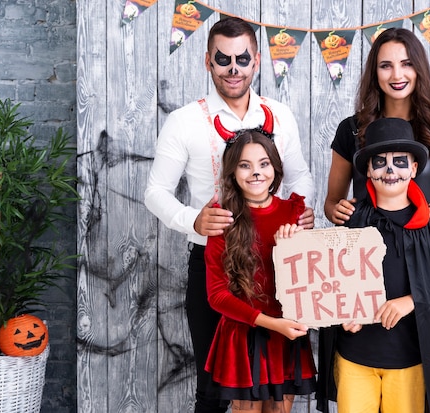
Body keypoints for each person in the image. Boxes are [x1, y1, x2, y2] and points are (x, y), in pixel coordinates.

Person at [144, 16, 315, 413]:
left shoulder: (281, 114)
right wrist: (193, 220)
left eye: (242, 59)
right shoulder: (184, 120)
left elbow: (301, 175)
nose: (233, 68)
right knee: (214, 387)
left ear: (256, 61)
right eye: (223, 59)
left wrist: (299, 212)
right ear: (208, 62)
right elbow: (155, 191)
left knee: (279, 382)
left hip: (277, 265)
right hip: (216, 265)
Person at [316, 118, 430, 413]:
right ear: (368, 170)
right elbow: (328, 282)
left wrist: (411, 301)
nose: (390, 170)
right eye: (380, 162)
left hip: (408, 359)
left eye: (399, 161)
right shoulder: (351, 222)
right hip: (356, 356)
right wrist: (342, 312)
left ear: (413, 169)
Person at [204, 122, 317, 413]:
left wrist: (294, 247)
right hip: (244, 335)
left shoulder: (294, 212)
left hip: (287, 334)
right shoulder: (222, 219)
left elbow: (313, 278)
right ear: (232, 172)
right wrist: (270, 323)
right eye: (245, 165)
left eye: (263, 163)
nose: (256, 172)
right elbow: (217, 295)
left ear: (275, 168)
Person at [324, 27, 430, 234]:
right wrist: (336, 211)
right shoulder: (351, 129)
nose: (397, 75)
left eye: (407, 64)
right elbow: (331, 202)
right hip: (367, 254)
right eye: (386, 66)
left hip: (426, 251)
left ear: (419, 68)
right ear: (375, 72)